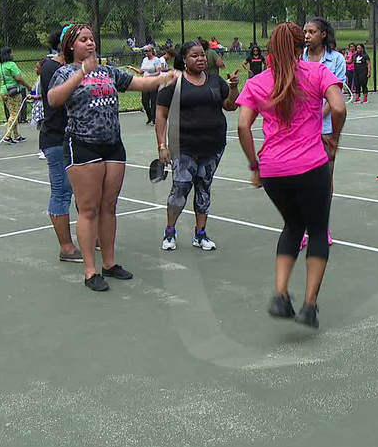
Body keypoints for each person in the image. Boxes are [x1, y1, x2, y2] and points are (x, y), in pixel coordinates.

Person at [47, 24, 179, 291]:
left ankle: (109, 263)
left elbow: (139, 83)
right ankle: (90, 271)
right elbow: (54, 99)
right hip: (82, 145)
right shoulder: (63, 72)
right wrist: (82, 71)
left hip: (113, 146)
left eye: (92, 38)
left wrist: (165, 78)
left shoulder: (108, 71)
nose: (90, 43)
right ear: (71, 45)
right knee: (89, 209)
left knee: (109, 207)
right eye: (83, 39)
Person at [236, 22, 346, 329]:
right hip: (311, 166)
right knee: (318, 230)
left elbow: (243, 126)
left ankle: (281, 294)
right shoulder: (317, 73)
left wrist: (254, 165)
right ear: (302, 46)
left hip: (273, 170)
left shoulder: (258, 81)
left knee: (293, 226)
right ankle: (309, 305)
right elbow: (338, 107)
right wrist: (334, 138)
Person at [154, 41, 239, 251]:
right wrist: (162, 145)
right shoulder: (173, 82)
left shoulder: (214, 81)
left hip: (213, 145)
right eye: (195, 55)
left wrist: (234, 88)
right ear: (184, 59)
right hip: (184, 146)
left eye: (202, 55)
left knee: (204, 188)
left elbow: (229, 106)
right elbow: (161, 114)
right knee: (181, 187)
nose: (200, 59)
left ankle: (200, 234)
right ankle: (170, 232)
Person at [39, 26, 82, 263]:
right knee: (61, 191)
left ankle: (89, 236)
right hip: (57, 138)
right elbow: (60, 98)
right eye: (80, 40)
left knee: (84, 191)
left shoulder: (74, 68)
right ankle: (66, 247)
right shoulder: (52, 68)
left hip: (77, 137)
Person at [302, 17, 347, 247]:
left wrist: (318, 115)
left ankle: (320, 228)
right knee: (300, 180)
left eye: (312, 31)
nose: (307, 35)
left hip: (326, 128)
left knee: (324, 180)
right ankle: (299, 228)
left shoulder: (337, 60)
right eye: (305, 31)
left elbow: (335, 95)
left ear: (323, 34)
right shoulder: (299, 58)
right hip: (301, 130)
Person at [0, 46, 31, 145]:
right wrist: (28, 86)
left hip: (4, 91)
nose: (13, 54)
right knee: (14, 114)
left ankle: (16, 135)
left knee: (13, 112)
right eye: (11, 53)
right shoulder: (11, 65)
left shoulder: (0, 66)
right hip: (13, 91)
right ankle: (7, 136)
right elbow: (18, 78)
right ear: (8, 54)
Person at [139, 45, 166, 126]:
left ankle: (154, 119)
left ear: (151, 51)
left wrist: (149, 76)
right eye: (145, 51)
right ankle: (150, 117)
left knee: (153, 102)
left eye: (147, 51)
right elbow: (141, 71)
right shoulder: (144, 60)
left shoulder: (156, 60)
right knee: (144, 102)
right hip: (145, 83)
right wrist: (131, 68)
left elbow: (158, 72)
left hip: (153, 83)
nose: (146, 53)